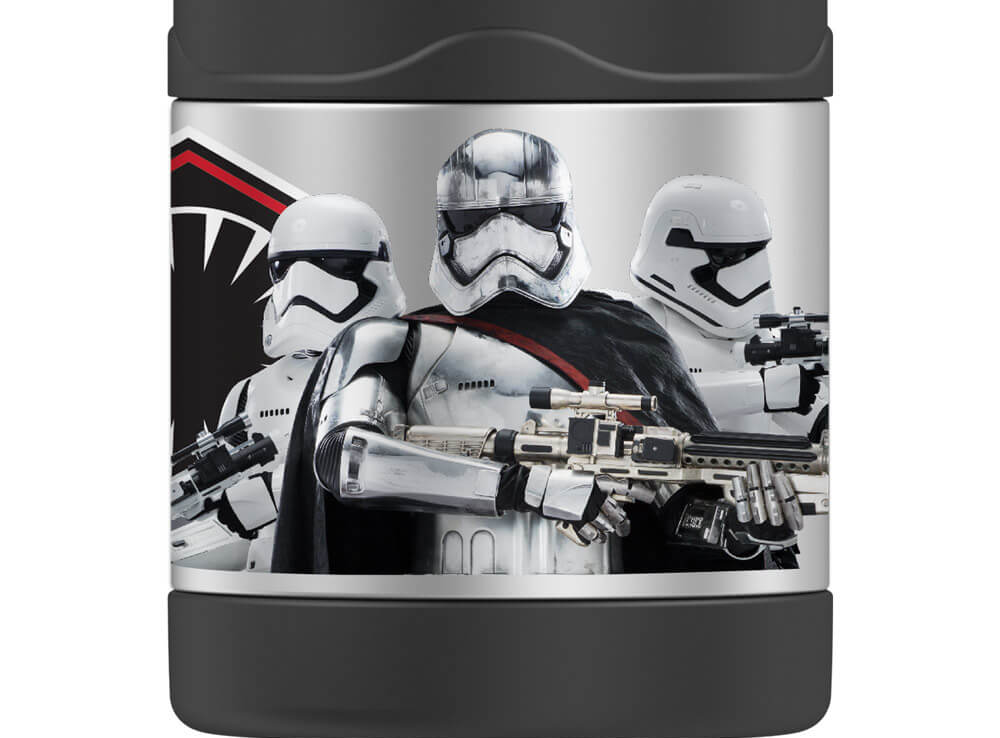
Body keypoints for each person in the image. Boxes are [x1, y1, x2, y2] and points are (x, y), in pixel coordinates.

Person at [273, 132, 806, 575]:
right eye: (475, 219)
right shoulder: (390, 340)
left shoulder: (627, 336)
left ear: (561, 216)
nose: (504, 235)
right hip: (433, 625)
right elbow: (344, 457)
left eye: (531, 212)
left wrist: (741, 532)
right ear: (446, 227)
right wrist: (523, 486)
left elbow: (682, 513)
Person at [170, 194, 406, 571]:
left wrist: (268, 493)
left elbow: (407, 472)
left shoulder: (406, 368)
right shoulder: (249, 395)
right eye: (285, 267)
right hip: (268, 581)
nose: (302, 286)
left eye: (329, 263)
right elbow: (222, 518)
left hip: (371, 571)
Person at [630, 175, 828, 439]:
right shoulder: (638, 321)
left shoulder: (758, 337)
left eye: (755, 252)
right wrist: (761, 389)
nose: (751, 272)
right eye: (732, 255)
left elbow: (814, 417)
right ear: (675, 248)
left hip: (753, 466)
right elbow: (641, 398)